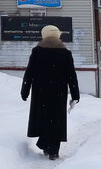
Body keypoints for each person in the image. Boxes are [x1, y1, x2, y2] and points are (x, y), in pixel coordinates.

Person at [20, 24, 80, 160]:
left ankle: (45, 144)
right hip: (59, 93)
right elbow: (72, 76)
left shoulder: (37, 52)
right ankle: (53, 150)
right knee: (56, 120)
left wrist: (25, 90)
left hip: (40, 92)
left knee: (43, 118)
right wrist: (75, 95)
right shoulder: (65, 53)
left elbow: (29, 73)